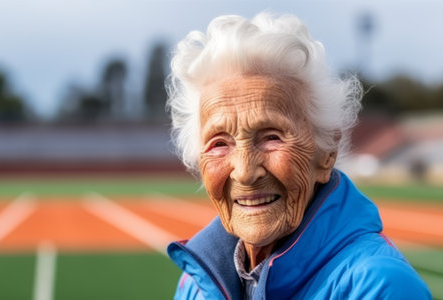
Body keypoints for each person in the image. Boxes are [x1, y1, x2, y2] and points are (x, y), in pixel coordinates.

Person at [165, 12, 431, 299]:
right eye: (219, 144)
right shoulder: (197, 285)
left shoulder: (378, 286)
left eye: (271, 137)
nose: (244, 171)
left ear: (326, 153)